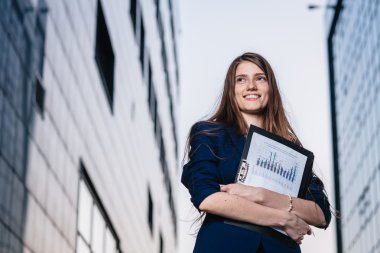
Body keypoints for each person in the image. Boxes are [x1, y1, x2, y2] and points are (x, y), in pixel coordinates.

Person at [181, 52, 331, 253]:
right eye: (241, 80)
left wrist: (260, 195)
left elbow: (320, 214)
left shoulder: (291, 149)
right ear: (231, 90)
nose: (251, 86)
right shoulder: (209, 133)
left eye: (260, 78)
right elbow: (207, 198)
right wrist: (283, 218)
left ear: (270, 88)